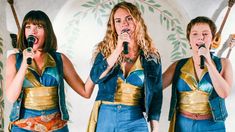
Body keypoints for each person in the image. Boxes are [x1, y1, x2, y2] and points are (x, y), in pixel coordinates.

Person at [6, 10, 94, 131]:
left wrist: (100, 68)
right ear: (24, 32)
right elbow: (11, 97)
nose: (33, 31)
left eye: (39, 26)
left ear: (47, 31)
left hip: (56, 128)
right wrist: (24, 64)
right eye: (28, 27)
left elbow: (85, 92)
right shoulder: (14, 60)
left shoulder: (59, 59)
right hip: (23, 128)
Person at [87, 2, 163, 132]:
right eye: (118, 21)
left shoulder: (151, 57)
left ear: (137, 21)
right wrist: (117, 50)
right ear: (114, 26)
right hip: (107, 116)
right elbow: (95, 77)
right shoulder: (105, 51)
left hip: (135, 117)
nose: (124, 23)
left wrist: (155, 129)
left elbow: (156, 95)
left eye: (129, 18)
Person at [163, 16, 233, 132]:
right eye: (195, 34)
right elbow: (155, 86)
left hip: (212, 126)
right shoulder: (178, 65)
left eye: (205, 34)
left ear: (212, 38)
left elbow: (224, 93)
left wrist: (209, 62)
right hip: (182, 125)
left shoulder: (223, 63)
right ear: (189, 39)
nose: (200, 37)